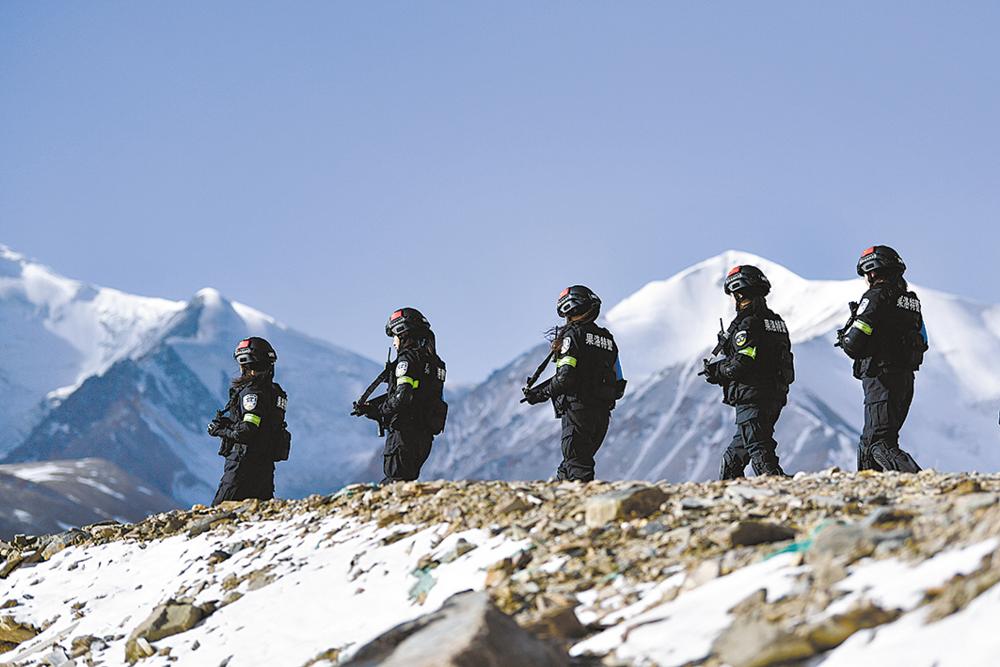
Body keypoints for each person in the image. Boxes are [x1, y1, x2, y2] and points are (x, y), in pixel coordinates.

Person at [523, 285, 626, 482]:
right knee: (570, 467)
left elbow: (565, 377)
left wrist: (539, 394)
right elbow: (619, 383)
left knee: (578, 467)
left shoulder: (572, 337)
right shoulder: (608, 340)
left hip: (578, 411)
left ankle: (588, 510)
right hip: (602, 416)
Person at [837, 245, 926, 472]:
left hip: (882, 378)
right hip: (904, 378)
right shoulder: (911, 302)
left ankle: (917, 480)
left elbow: (854, 342)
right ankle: (865, 494)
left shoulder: (875, 296)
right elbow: (923, 339)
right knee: (869, 443)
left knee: (879, 444)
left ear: (873, 271)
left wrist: (846, 338)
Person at [702, 265, 794, 479]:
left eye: (735, 295)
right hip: (775, 394)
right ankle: (728, 503)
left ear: (740, 293)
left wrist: (717, 371)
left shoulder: (748, 324)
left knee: (760, 451)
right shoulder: (777, 322)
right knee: (733, 458)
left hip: (752, 396)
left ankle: (779, 494)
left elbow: (742, 363)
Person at [354, 308, 448, 483]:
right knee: (407, 482)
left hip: (404, 434)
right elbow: (418, 393)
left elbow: (403, 397)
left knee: (394, 480)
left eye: (394, 337)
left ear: (402, 333)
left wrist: (379, 411)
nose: (394, 343)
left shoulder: (407, 361)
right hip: (425, 435)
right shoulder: (435, 363)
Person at [208, 337, 291, 505]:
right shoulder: (275, 392)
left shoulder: (252, 393)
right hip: (265, 468)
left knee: (216, 516)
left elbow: (246, 430)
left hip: (242, 466)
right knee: (259, 517)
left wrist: (219, 430)